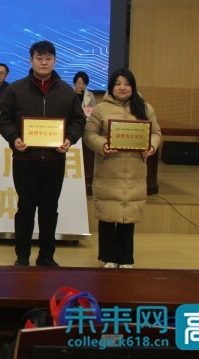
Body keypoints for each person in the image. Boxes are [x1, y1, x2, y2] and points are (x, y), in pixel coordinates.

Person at [0, 40, 85, 267]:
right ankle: (22, 256)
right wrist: (13, 137)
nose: (43, 62)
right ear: (31, 60)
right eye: (39, 58)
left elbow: (79, 120)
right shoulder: (16, 89)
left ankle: (46, 256)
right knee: (25, 209)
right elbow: (2, 117)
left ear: (55, 61)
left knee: (49, 210)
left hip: (54, 160)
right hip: (25, 159)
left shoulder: (66, 91)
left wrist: (70, 138)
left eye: (48, 58)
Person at [83, 68, 161, 269]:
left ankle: (126, 258)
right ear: (111, 87)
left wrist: (151, 146)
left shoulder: (145, 108)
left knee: (128, 216)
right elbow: (89, 135)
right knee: (108, 214)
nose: (122, 87)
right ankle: (108, 257)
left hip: (134, 172)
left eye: (127, 84)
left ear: (133, 87)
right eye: (118, 84)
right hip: (108, 170)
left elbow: (156, 133)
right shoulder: (100, 109)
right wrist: (103, 145)